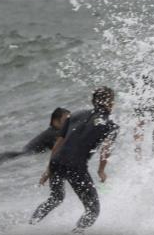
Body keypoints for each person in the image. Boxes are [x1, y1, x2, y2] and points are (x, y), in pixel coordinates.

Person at [31, 87, 118, 232]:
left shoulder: (75, 115)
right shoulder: (110, 125)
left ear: (93, 101)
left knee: (56, 198)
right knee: (93, 210)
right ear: (111, 103)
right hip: (75, 167)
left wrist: (48, 169)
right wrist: (101, 171)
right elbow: (106, 149)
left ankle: (29, 225)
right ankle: (77, 232)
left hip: (56, 162)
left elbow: (58, 143)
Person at [0, 108, 70, 166]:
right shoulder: (54, 134)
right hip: (14, 157)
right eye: (66, 119)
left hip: (11, 155)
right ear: (55, 121)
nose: (69, 122)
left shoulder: (51, 132)